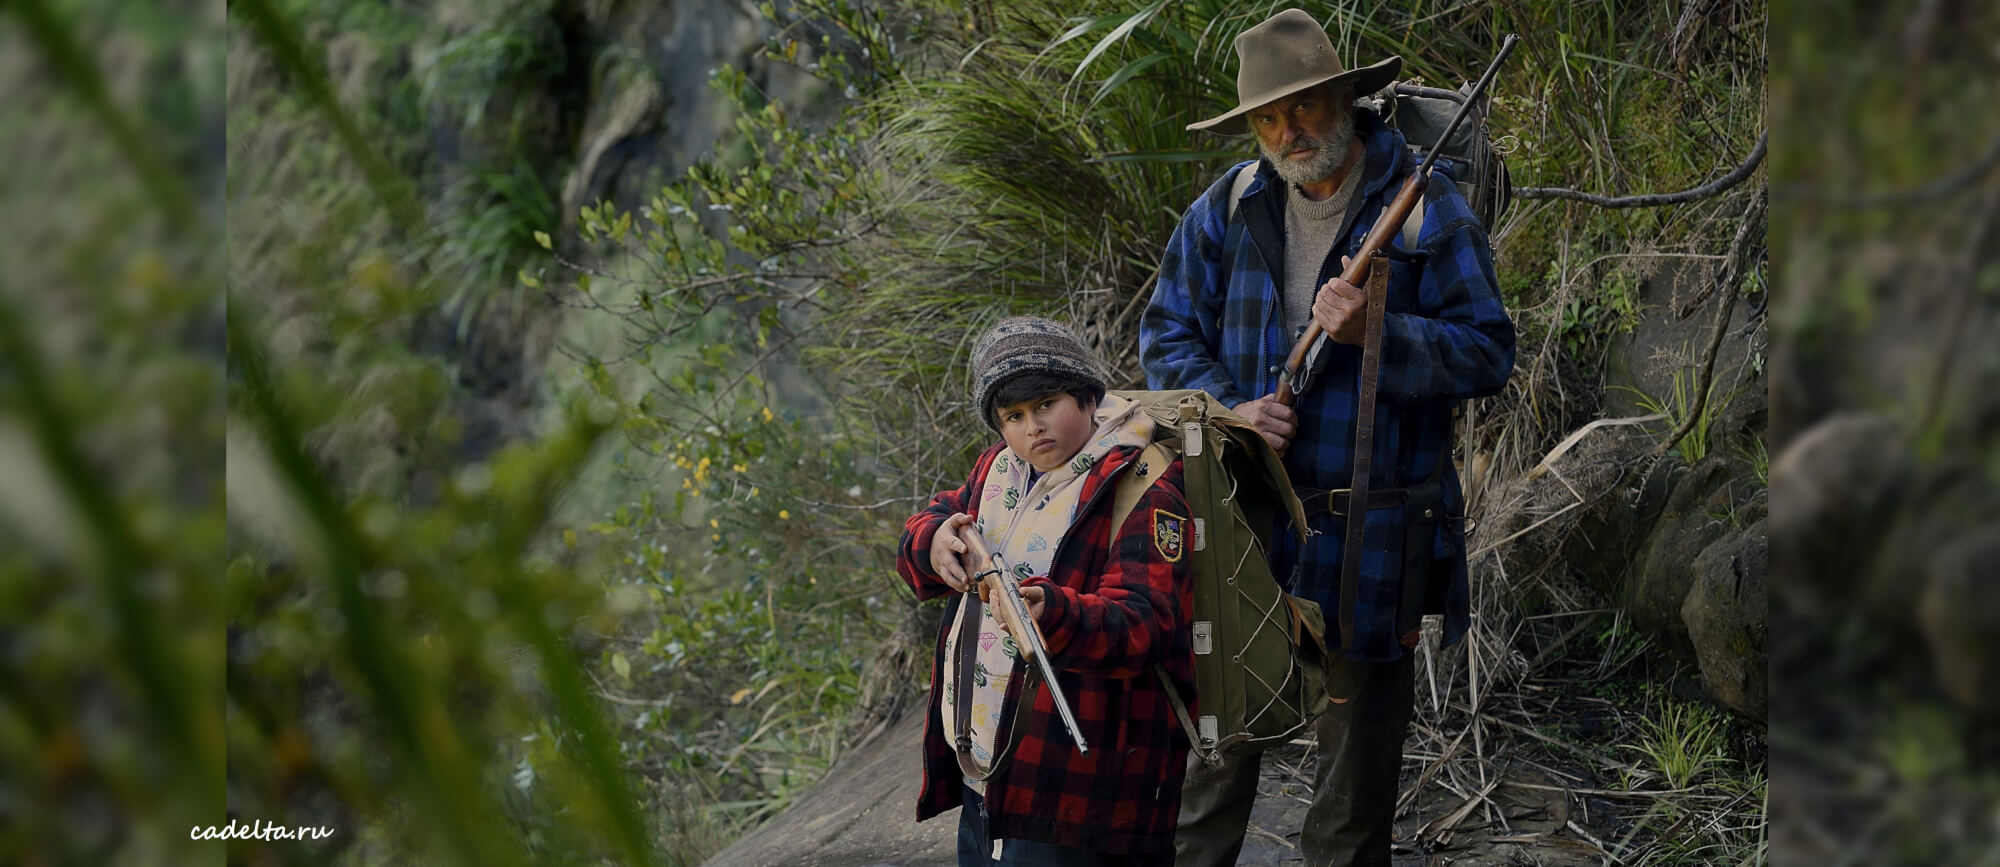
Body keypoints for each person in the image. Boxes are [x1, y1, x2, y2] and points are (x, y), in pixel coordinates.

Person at [1139, 9, 1516, 867]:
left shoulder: (1426, 205)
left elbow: (1491, 351)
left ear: (1345, 94)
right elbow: (1164, 336)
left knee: (1350, 810)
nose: (1288, 131)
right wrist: (1232, 408)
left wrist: (1376, 330)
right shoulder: (1229, 206)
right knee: (1209, 776)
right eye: (1269, 117)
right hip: (1246, 534)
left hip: (1374, 539)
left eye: (1304, 106)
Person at [897, 316, 1197, 866]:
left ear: (1086, 395)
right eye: (1013, 416)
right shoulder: (998, 469)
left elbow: (1147, 622)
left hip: (1083, 791)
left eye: (1046, 404)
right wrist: (933, 541)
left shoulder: (1143, 484)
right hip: (987, 768)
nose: (1033, 428)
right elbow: (939, 514)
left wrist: (1054, 612)